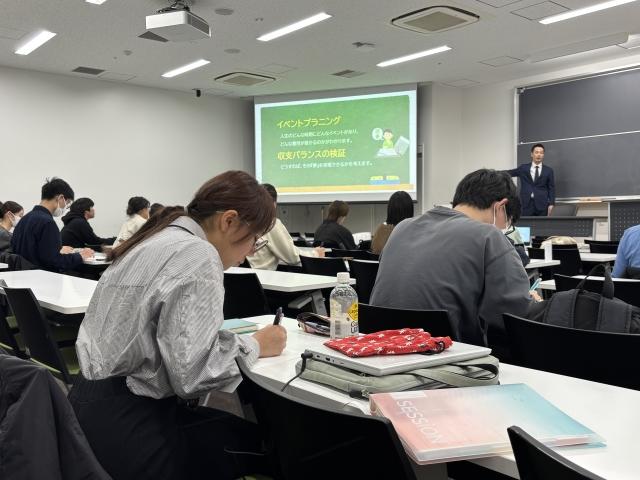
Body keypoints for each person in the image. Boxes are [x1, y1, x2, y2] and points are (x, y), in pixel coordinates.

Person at [70, 171, 287, 480]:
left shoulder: (156, 239)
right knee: (269, 448)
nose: (250, 252)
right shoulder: (199, 254)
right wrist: (256, 345)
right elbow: (194, 374)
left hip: (84, 410)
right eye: (254, 239)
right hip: (134, 427)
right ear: (229, 220)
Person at [370, 169, 540, 351]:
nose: (504, 228)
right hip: (448, 356)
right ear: (500, 207)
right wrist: (531, 301)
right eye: (508, 222)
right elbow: (515, 317)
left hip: (378, 349)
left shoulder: (402, 227)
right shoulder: (488, 236)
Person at [11, 178, 93, 271]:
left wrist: (57, 249)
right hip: (41, 276)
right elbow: (55, 262)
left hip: (21, 274)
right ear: (61, 198)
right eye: (67, 203)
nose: (66, 207)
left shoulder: (25, 219)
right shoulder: (48, 223)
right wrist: (80, 256)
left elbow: (33, 250)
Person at [247, 184, 324, 270]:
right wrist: (315, 253)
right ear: (274, 204)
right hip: (261, 276)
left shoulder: (246, 220)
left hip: (244, 275)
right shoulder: (271, 223)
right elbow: (292, 257)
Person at [506, 143, 555, 216]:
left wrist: (551, 203)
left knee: (542, 223)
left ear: (543, 155)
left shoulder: (548, 170)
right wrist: (493, 173)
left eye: (541, 153)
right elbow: (509, 173)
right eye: (536, 152)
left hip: (542, 204)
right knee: (526, 223)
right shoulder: (523, 168)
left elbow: (551, 188)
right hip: (526, 204)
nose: (539, 155)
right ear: (532, 154)